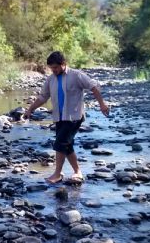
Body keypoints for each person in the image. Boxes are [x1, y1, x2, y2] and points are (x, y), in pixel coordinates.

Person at [23, 51, 109, 183]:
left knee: (59, 143)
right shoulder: (50, 79)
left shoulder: (76, 75)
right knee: (67, 145)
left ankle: (57, 174)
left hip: (74, 117)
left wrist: (102, 104)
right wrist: (30, 109)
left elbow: (93, 87)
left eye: (56, 67)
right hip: (59, 117)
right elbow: (43, 97)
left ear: (64, 64)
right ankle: (77, 171)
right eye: (51, 68)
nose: (54, 70)